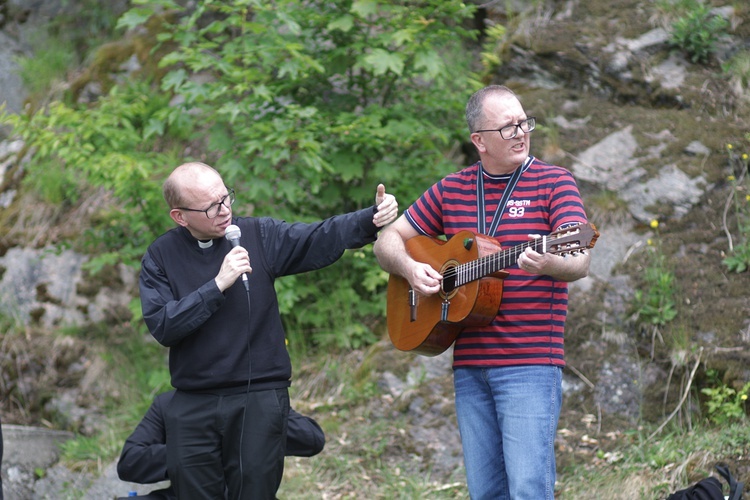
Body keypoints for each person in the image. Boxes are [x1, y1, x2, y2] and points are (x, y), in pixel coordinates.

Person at [372, 85, 591, 499]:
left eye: (524, 122)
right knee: (485, 492)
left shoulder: (554, 182)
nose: (522, 132)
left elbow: (579, 259)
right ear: (479, 141)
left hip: (529, 364)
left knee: (528, 488)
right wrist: (411, 268)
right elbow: (388, 241)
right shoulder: (451, 189)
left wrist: (551, 262)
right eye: (508, 127)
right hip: (470, 366)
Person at [139, 161, 398, 499]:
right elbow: (163, 326)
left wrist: (369, 217)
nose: (224, 210)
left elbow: (316, 236)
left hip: (259, 395)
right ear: (180, 216)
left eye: (226, 198)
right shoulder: (161, 255)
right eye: (211, 207)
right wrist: (217, 285)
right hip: (193, 401)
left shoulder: (258, 234)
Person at [116, 390, 325, 499]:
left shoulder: (259, 401)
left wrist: (265, 401)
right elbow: (130, 461)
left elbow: (311, 438)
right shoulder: (169, 403)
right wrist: (195, 453)